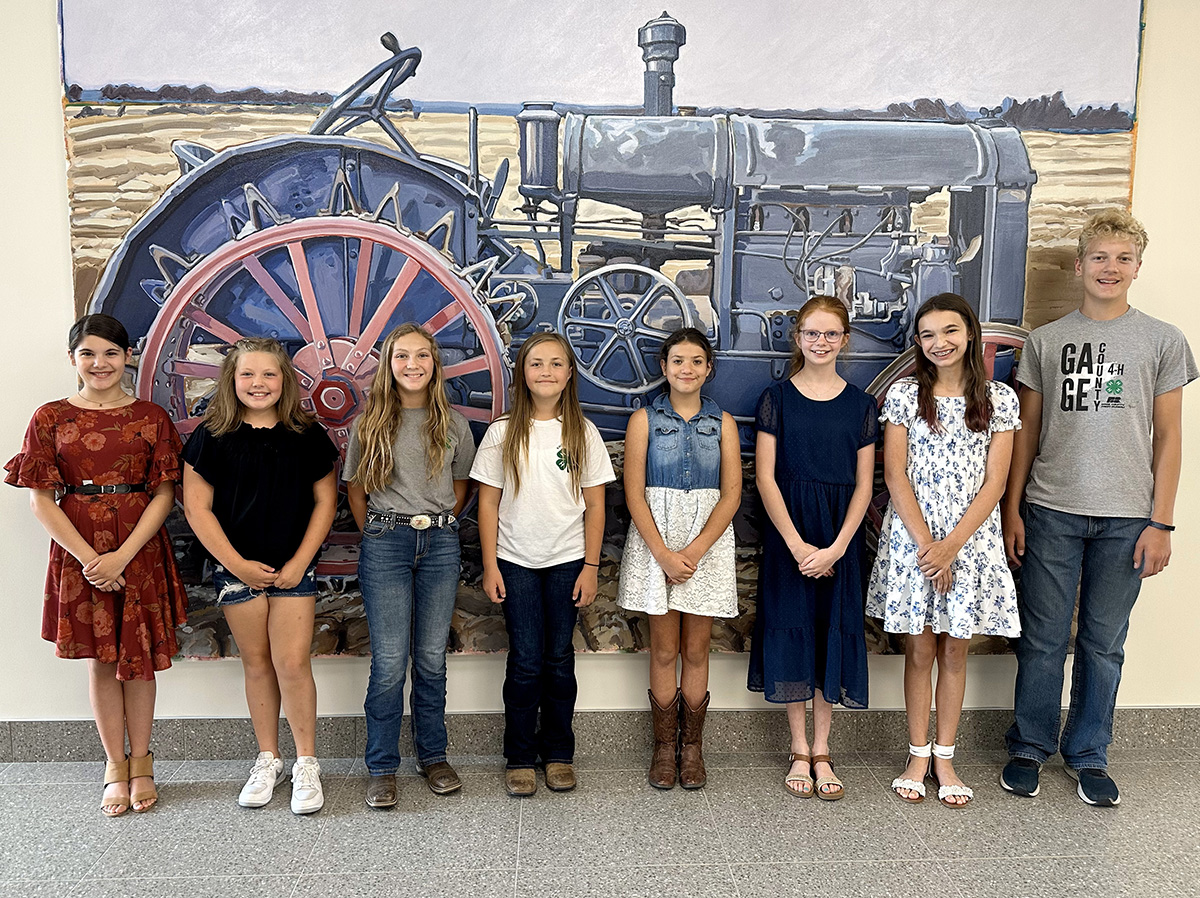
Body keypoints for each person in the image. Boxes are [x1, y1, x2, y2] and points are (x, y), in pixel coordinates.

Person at [1001, 209, 1196, 807]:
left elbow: (1169, 438)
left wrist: (1161, 521)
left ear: (1137, 267)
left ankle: (1088, 753)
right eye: (1099, 257)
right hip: (1051, 510)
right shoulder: (1046, 341)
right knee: (1042, 638)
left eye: (1122, 258)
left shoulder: (1162, 340)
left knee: (1104, 641)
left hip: (1128, 518)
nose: (1110, 268)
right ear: (1080, 265)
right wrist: (1013, 509)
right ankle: (1028, 746)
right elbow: (1027, 434)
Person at [6, 314, 188, 816]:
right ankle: (114, 766)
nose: (99, 363)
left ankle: (144, 764)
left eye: (110, 352)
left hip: (140, 544)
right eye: (88, 353)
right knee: (102, 658)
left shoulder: (151, 417)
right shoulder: (50, 417)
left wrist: (123, 556)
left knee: (141, 657)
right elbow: (41, 500)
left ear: (126, 356)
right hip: (78, 546)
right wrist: (92, 559)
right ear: (73, 359)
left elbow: (166, 492)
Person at [866, 293, 1021, 808]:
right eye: (928, 334)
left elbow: (996, 483)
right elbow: (894, 474)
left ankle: (945, 758)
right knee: (919, 649)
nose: (940, 343)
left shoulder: (1001, 400)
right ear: (918, 342)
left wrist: (951, 546)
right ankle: (916, 754)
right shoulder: (905, 395)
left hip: (969, 540)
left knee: (956, 649)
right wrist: (928, 546)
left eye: (950, 331)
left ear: (970, 334)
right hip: (914, 540)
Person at [182, 337, 338, 815]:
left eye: (269, 374)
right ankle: (268, 758)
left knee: (292, 663)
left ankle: (307, 762)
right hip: (236, 567)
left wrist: (299, 563)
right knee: (257, 664)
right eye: (247, 374)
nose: (258, 383)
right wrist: (235, 564)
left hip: (295, 565)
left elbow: (325, 502)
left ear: (284, 380)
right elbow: (197, 507)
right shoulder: (211, 435)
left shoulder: (307, 434)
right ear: (232, 379)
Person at [471, 332, 615, 796]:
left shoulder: (582, 432)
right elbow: (488, 504)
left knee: (559, 659)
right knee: (527, 660)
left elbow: (596, 505)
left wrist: (591, 566)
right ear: (523, 373)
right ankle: (518, 756)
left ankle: (558, 752)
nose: (547, 372)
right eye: (537, 363)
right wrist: (491, 565)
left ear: (569, 373)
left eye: (556, 363)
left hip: (568, 561)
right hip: (515, 562)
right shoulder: (502, 432)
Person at [344, 324, 476, 808]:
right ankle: (381, 764)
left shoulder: (454, 423)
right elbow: (356, 490)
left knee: (431, 659)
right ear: (389, 363)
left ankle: (433, 755)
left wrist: (436, 523)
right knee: (389, 663)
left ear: (435, 364)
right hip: (387, 542)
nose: (413, 364)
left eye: (423, 355)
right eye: (403, 356)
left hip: (440, 542)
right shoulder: (370, 424)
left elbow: (462, 486)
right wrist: (382, 529)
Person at [750, 297, 876, 801]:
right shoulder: (775, 398)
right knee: (794, 632)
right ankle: (798, 748)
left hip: (839, 539)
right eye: (811, 333)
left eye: (830, 334)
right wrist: (800, 545)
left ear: (845, 340)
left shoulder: (863, 406)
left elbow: (866, 486)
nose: (820, 343)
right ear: (797, 338)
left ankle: (823, 751)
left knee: (829, 634)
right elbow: (764, 476)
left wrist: (837, 548)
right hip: (790, 537)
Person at [618, 328, 742, 790]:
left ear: (709, 369)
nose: (686, 369)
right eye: (677, 361)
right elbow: (633, 493)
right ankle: (663, 749)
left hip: (705, 544)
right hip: (658, 541)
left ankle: (692, 748)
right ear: (664, 368)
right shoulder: (644, 420)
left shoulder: (723, 422)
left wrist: (692, 552)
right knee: (665, 649)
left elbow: (731, 495)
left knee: (695, 649)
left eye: (695, 361)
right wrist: (664, 554)